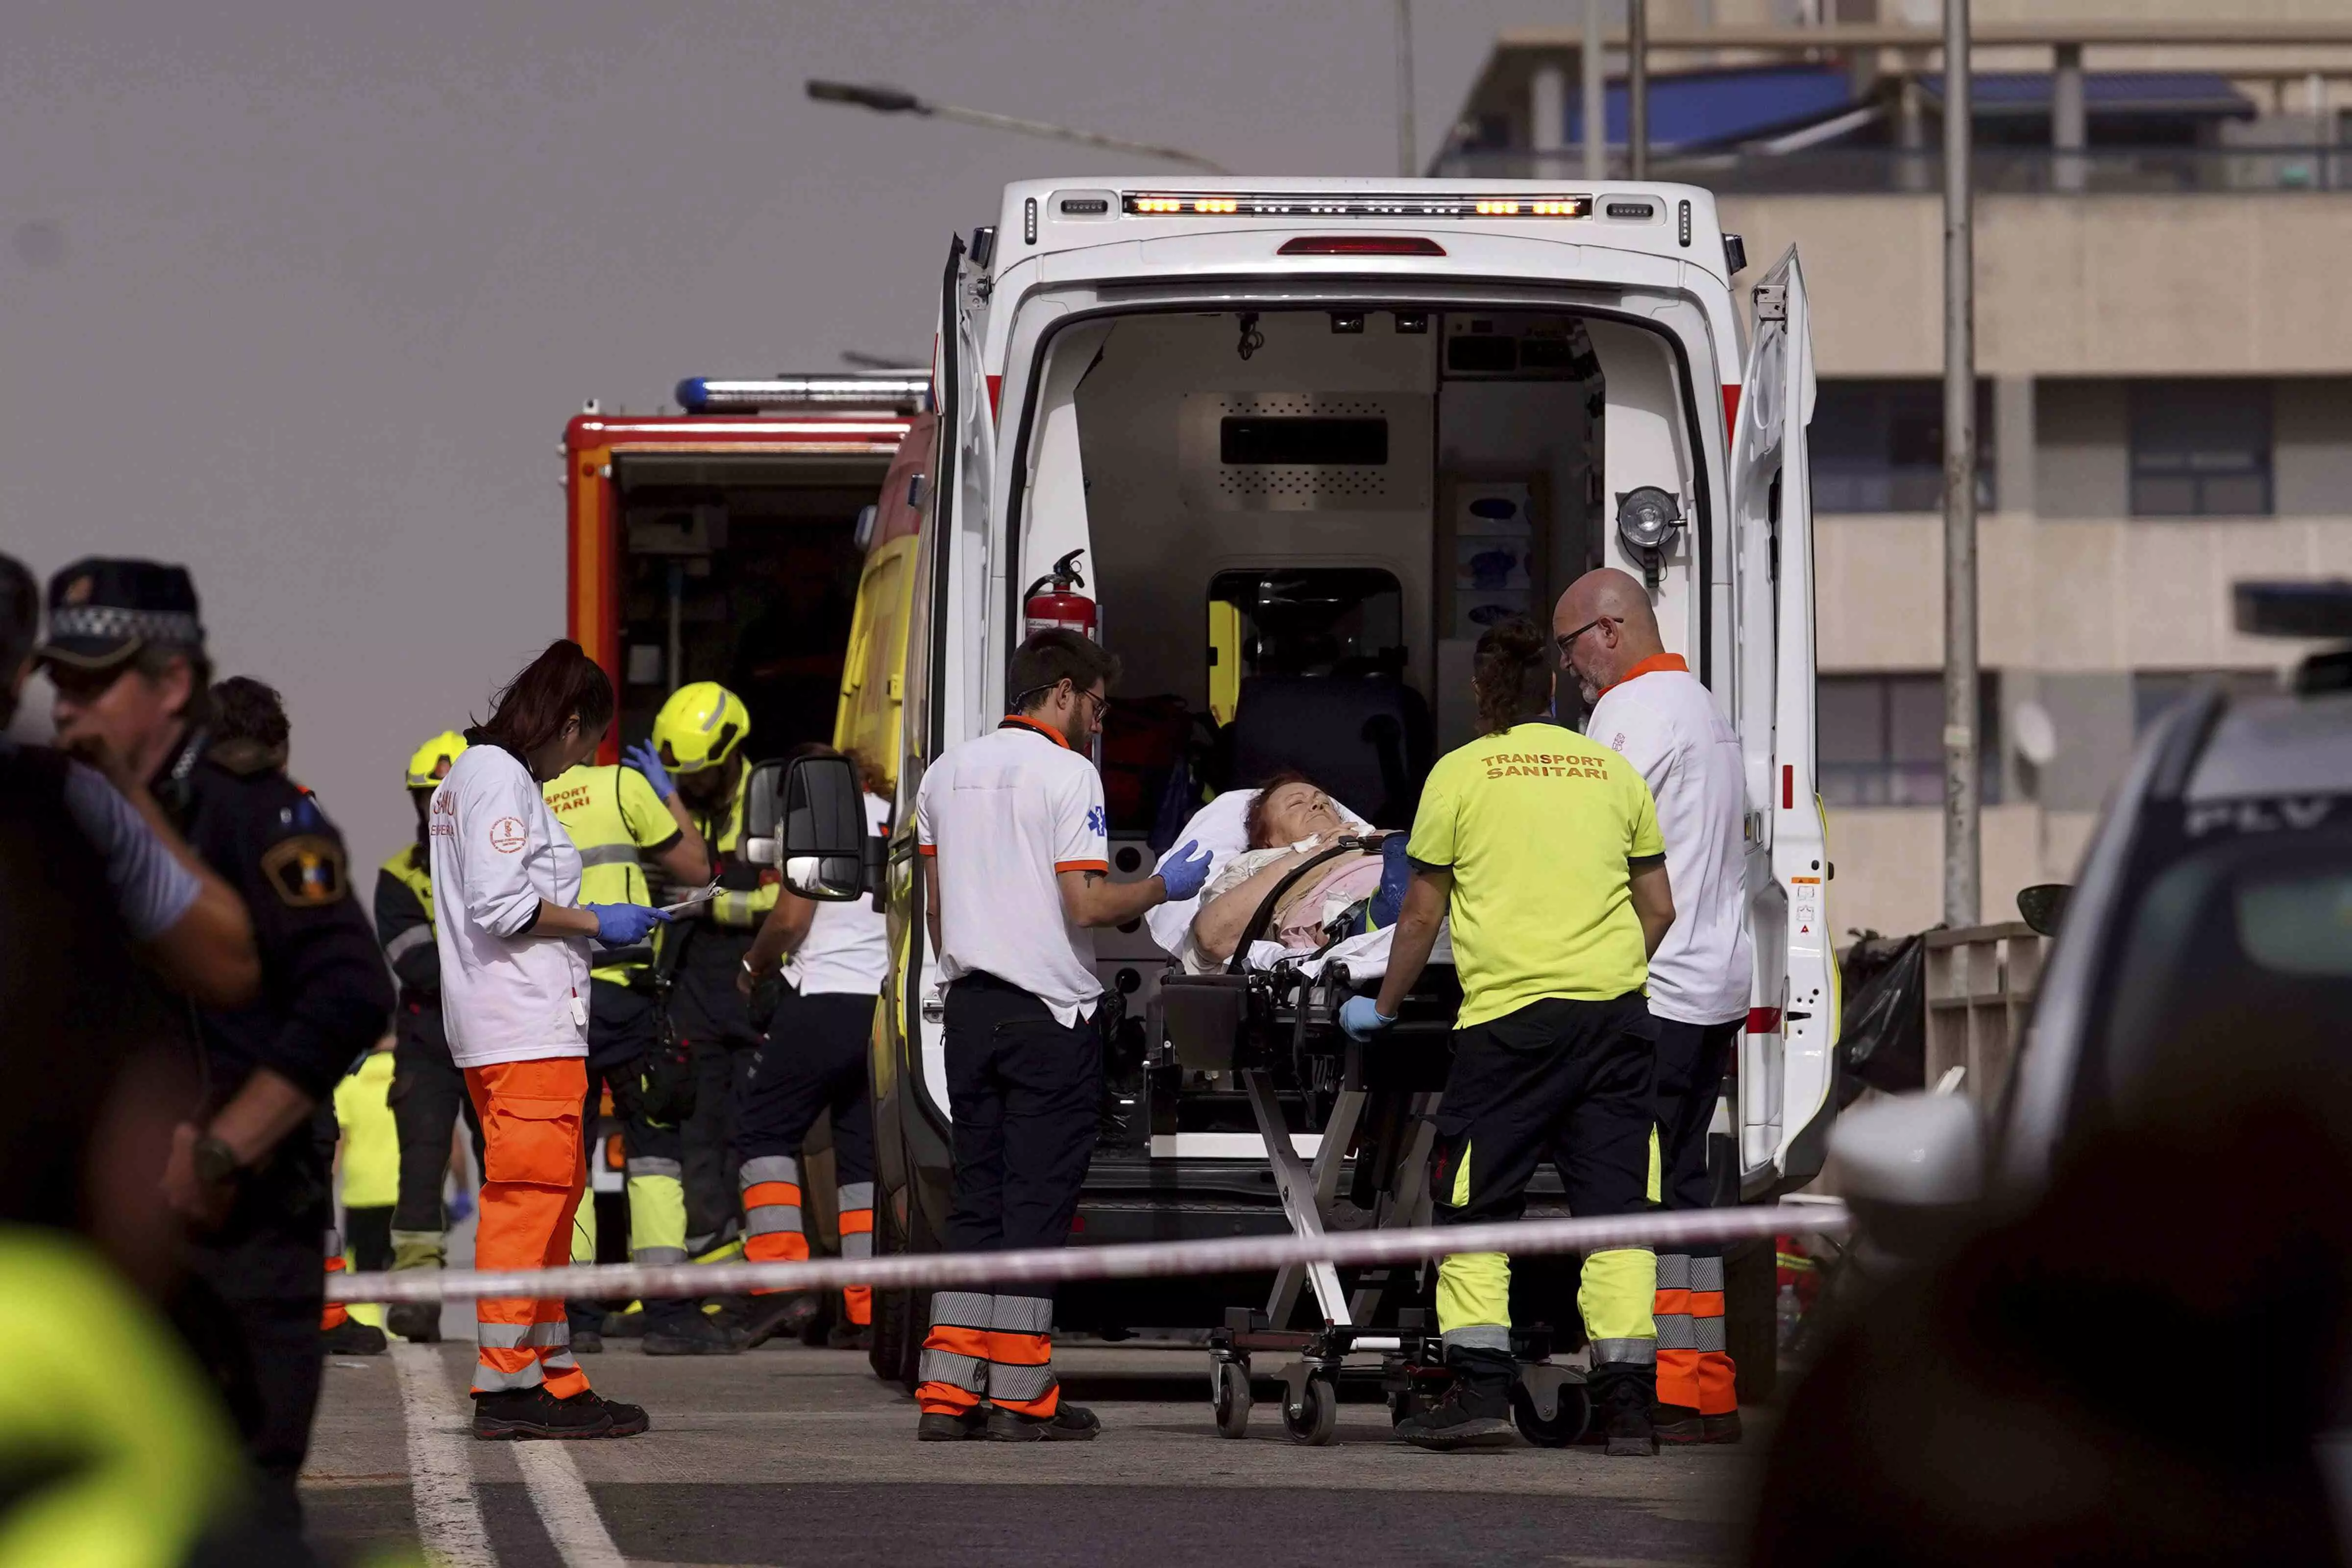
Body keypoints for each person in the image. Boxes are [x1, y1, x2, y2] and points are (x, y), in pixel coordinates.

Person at [37, 558, 393, 1528]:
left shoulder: (253, 815)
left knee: (235, 1502)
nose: (68, 708)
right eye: (57, 682)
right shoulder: (62, 817)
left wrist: (228, 1141)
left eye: (94, 681)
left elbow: (351, 989)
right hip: (105, 1245)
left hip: (236, 1233)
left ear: (171, 686)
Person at [1345, 615, 1675, 1456]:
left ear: (1482, 694)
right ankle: (1630, 1405)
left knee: (1475, 1205)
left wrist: (1383, 1008)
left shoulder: (1460, 776)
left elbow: (1420, 917)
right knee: (1618, 1214)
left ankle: (1481, 1386)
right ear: (1554, 690)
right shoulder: (1612, 773)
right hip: (1613, 1025)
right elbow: (1661, 908)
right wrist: (1601, 976)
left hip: (1507, 1030)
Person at [911, 629, 1212, 1442]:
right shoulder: (1068, 774)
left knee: (976, 1203)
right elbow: (1086, 906)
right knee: (1036, 1208)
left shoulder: (944, 776)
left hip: (970, 1010)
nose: (1100, 723)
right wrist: (1160, 885)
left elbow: (937, 910)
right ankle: (1018, 1395)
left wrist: (977, 959)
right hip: (1049, 1016)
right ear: (1062, 692)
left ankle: (947, 1393)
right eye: (1097, 706)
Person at [433, 638, 669, 1439]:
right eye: (585, 745)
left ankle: (552, 1375)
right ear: (569, 724)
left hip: (522, 1030)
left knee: (551, 1206)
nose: (578, 767)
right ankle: (508, 1385)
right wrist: (602, 920)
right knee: (529, 1205)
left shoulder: (479, 776)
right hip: (522, 1030)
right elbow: (503, 905)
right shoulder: (499, 777)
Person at [1559, 567, 1755, 1446]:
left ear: (1610, 628)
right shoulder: (1705, 708)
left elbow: (1586, 844)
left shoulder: (1628, 716)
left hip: (1657, 986)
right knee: (1682, 1192)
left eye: (1571, 648)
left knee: (1633, 1193)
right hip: (1713, 986)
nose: (1570, 670)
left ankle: (1654, 1388)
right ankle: (1703, 1389)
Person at [539, 701, 719, 1354]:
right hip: (628, 994)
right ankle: (668, 1313)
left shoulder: (528, 797)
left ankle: (576, 1315)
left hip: (559, 997)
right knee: (653, 1150)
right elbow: (698, 870)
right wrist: (669, 796)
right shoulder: (624, 786)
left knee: (571, 1159)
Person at [733, 744, 891, 1349]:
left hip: (823, 992)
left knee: (764, 1130)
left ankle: (779, 1284)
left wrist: (752, 964)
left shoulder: (817, 815)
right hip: (878, 1005)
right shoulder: (891, 813)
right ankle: (865, 1306)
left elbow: (792, 919)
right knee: (861, 1157)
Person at [651, 681, 775, 1282]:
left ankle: (768, 1275)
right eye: (683, 777)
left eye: (699, 774)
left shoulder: (771, 800)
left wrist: (709, 904)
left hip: (756, 988)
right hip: (696, 997)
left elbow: (788, 900)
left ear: (732, 751)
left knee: (754, 1136)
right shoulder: (679, 805)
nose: (692, 786)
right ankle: (715, 1278)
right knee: (699, 1137)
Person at [375, 729, 484, 1342]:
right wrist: (484, 955)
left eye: (449, 796)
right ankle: (417, 1296)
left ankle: (517, 1292)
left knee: (504, 1166)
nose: (437, 807)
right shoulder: (397, 876)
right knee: (421, 1166)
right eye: (428, 796)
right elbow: (414, 962)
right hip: (427, 1043)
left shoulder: (503, 863)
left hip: (491, 1037)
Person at [1180, 770, 1407, 971]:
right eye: (1296, 804)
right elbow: (1213, 937)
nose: (1317, 805)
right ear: (1267, 840)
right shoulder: (1256, 864)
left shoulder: (1380, 837)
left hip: (1416, 884)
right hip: (1367, 918)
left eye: (1324, 802)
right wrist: (1313, 851)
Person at [324, 1037, 398, 1353]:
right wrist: (460, 1187)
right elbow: (447, 1138)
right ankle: (402, 1333)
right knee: (403, 1265)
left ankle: (368, 1328)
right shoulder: (409, 1073)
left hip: (361, 1192)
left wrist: (325, 1188)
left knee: (362, 1269)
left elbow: (337, 1142)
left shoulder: (349, 1082)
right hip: (406, 1191)